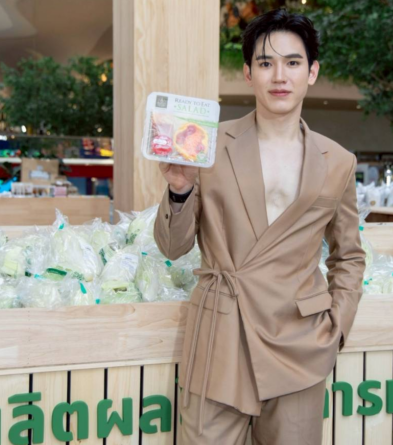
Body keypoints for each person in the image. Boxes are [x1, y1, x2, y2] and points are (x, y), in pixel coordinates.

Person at [153, 9, 365, 444]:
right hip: (221, 336)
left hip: (300, 341)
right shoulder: (207, 144)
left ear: (312, 72)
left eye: (293, 62)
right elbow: (173, 248)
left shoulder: (338, 161)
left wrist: (337, 326)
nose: (279, 76)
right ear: (249, 73)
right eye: (266, 63)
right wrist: (179, 190)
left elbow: (349, 255)